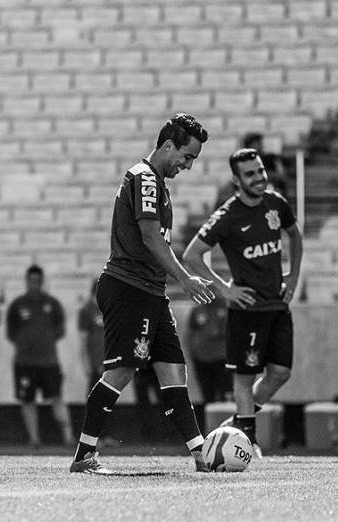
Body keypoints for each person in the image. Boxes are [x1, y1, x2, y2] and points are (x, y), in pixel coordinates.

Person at [69, 114, 216, 474]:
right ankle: (84, 455)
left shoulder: (157, 183)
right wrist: (185, 278)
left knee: (173, 371)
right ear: (168, 145)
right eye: (187, 157)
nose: (188, 165)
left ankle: (202, 456)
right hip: (129, 287)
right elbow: (150, 237)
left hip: (150, 291)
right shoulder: (145, 178)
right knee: (121, 371)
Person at [182, 148, 302, 456]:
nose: (259, 178)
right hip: (246, 310)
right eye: (251, 174)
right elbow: (191, 255)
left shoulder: (276, 203)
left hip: (277, 303)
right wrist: (224, 290)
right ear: (237, 180)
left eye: (260, 171)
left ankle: (238, 419)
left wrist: (293, 275)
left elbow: (295, 235)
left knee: (281, 373)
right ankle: (249, 439)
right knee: (245, 377)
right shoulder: (227, 215)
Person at [5, 265, 73, 446]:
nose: (34, 284)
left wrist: (45, 341)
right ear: (26, 281)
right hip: (24, 362)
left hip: (49, 361)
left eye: (37, 281)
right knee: (27, 399)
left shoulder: (52, 304)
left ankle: (68, 437)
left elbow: (60, 330)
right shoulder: (17, 305)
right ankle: (34, 438)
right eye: (31, 281)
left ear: (42, 282)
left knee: (57, 397)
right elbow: (11, 333)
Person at [184, 296, 231, 405]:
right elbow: (190, 333)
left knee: (225, 393)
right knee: (207, 394)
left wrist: (219, 331)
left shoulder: (227, 308)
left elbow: (233, 332)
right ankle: (209, 419)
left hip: (221, 358)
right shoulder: (198, 309)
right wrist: (192, 351)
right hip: (201, 358)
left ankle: (225, 418)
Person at [77, 279, 104, 397]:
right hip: (95, 360)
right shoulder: (87, 310)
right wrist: (85, 363)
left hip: (109, 360)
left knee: (108, 398)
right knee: (95, 395)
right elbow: (83, 341)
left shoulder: (109, 308)